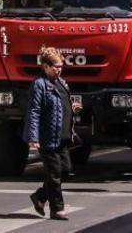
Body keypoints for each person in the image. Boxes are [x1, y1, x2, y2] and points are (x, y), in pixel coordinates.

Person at [24, 46, 82, 220]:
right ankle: (57, 209)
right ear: (46, 66)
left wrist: (73, 110)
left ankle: (40, 197)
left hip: (62, 136)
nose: (59, 69)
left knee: (65, 171)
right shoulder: (39, 85)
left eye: (60, 66)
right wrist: (33, 137)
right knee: (55, 173)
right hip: (47, 137)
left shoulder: (62, 83)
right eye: (56, 66)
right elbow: (34, 111)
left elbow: (61, 106)